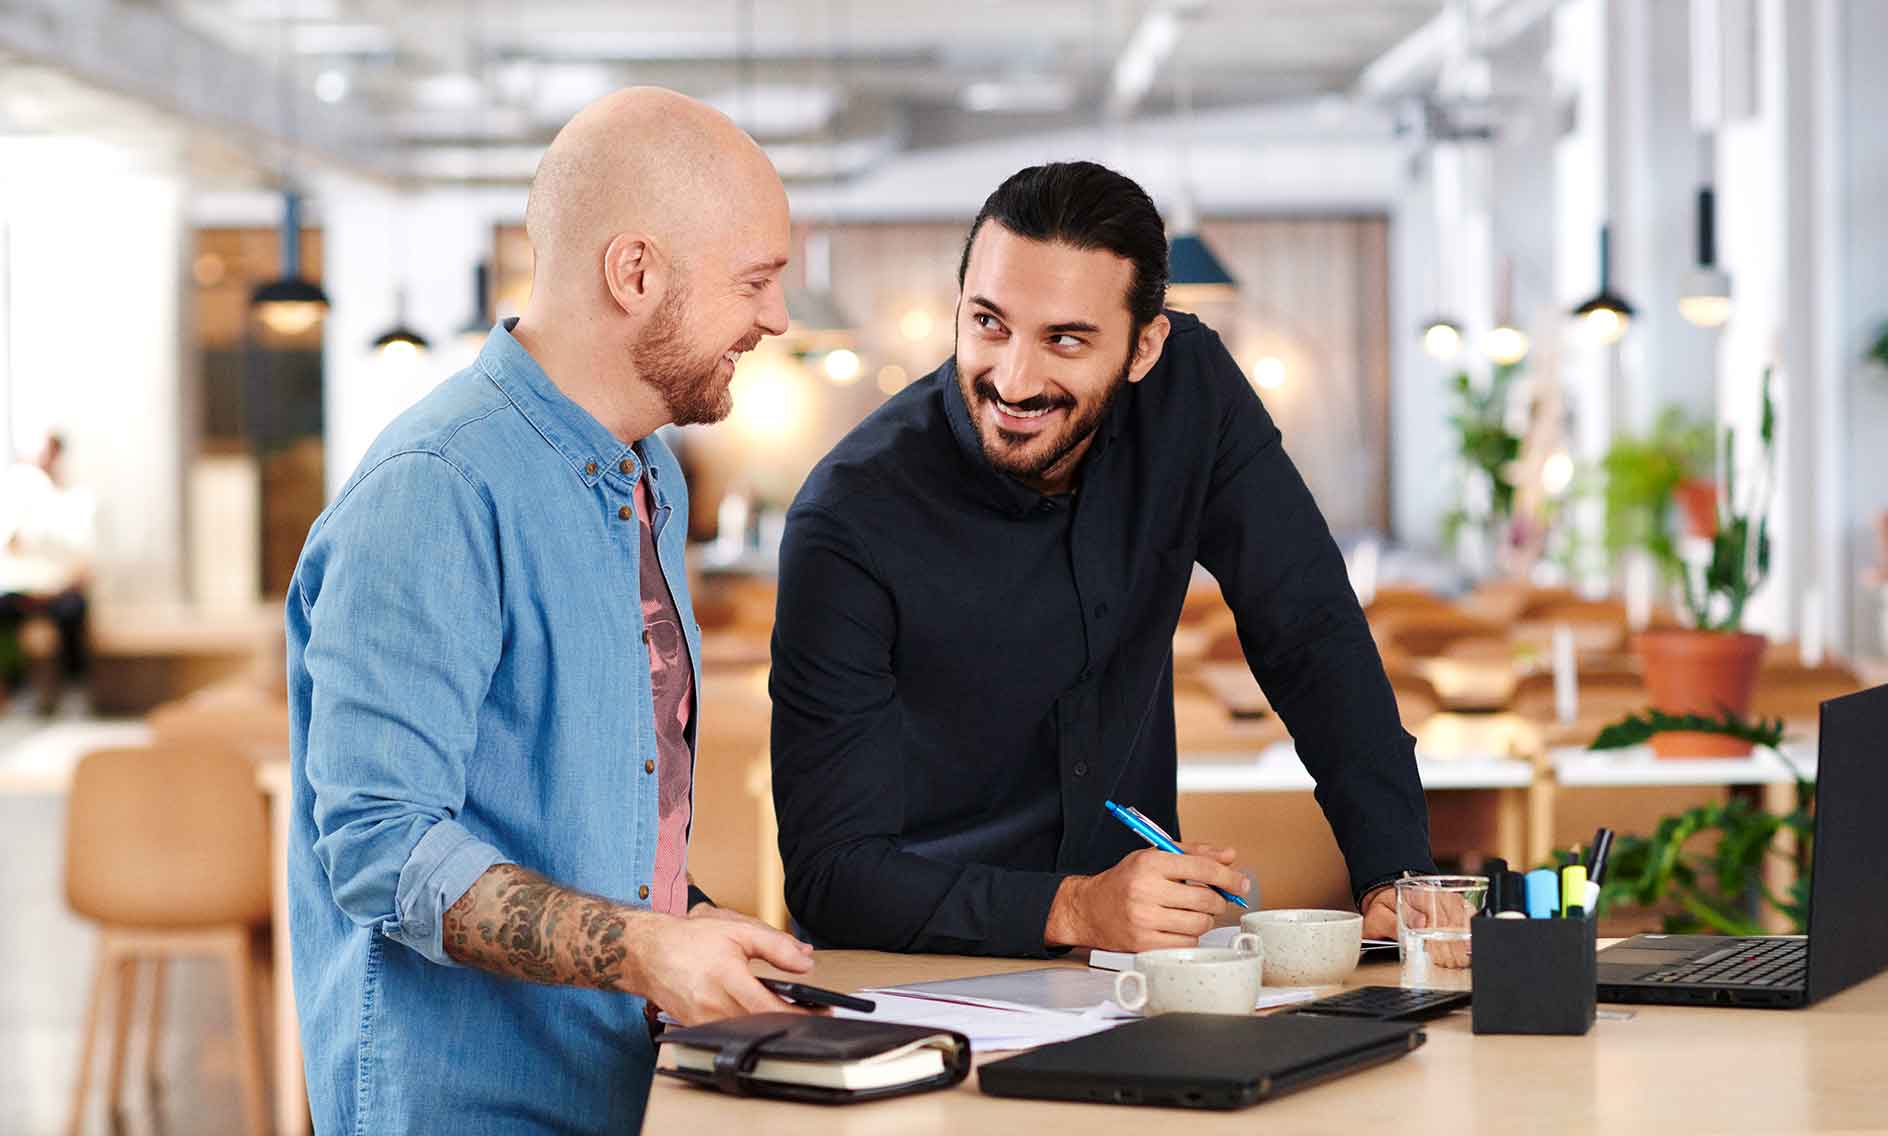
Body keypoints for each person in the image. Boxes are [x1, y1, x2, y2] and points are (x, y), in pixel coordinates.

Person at [287, 88, 813, 1135]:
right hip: (469, 1103)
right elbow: (382, 845)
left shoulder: (642, 473)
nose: (775, 318)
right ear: (634, 272)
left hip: (616, 1080)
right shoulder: (437, 486)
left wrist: (697, 925)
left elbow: (594, 811)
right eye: (753, 281)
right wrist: (647, 949)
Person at [771, 162, 1435, 958]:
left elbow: (1310, 631)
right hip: (910, 976)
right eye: (989, 324)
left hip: (1129, 969)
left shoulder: (1193, 394)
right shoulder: (848, 517)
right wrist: (1074, 909)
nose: (1014, 379)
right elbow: (830, 875)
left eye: (1065, 340)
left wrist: (1397, 875)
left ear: (1145, 344)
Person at [0, 431, 94, 710]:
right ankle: (12, 686)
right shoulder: (16, 495)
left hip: (60, 591)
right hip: (22, 589)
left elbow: (83, 558)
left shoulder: (75, 499)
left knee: (73, 611)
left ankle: (72, 689)